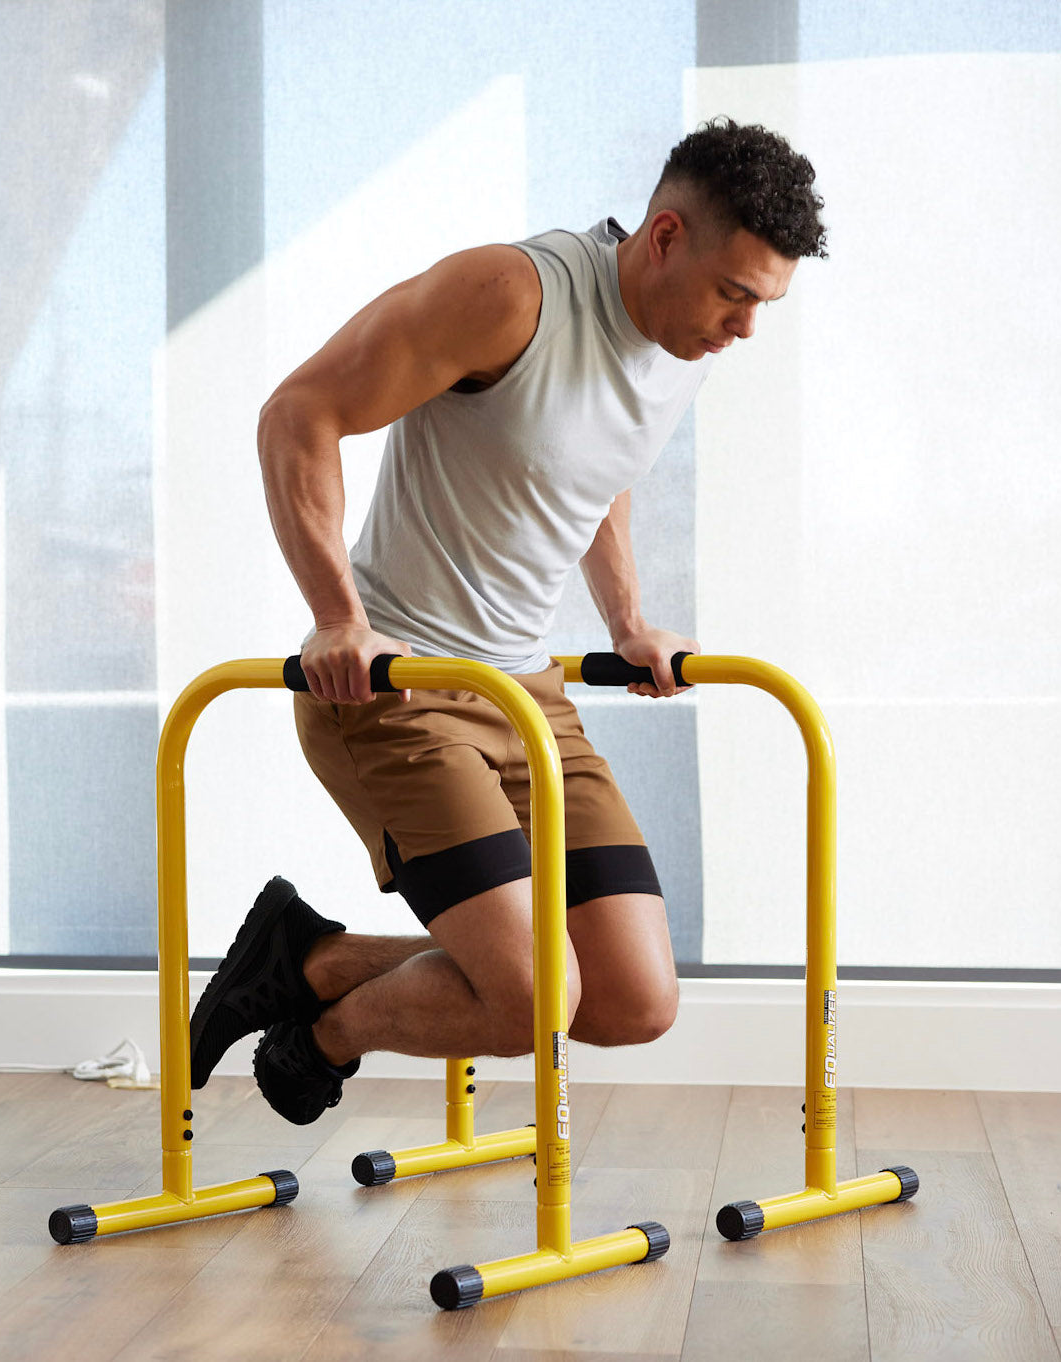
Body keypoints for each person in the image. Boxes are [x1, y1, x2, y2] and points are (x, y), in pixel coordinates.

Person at [188, 118, 828, 1123]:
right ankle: (322, 1012)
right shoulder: (512, 296)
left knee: (631, 999)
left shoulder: (683, 341)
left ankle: (312, 972)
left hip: (528, 698)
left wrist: (629, 620)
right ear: (665, 238)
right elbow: (299, 411)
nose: (744, 328)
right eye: (735, 294)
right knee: (538, 996)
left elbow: (592, 468)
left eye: (764, 304)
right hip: (401, 698)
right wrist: (335, 618)